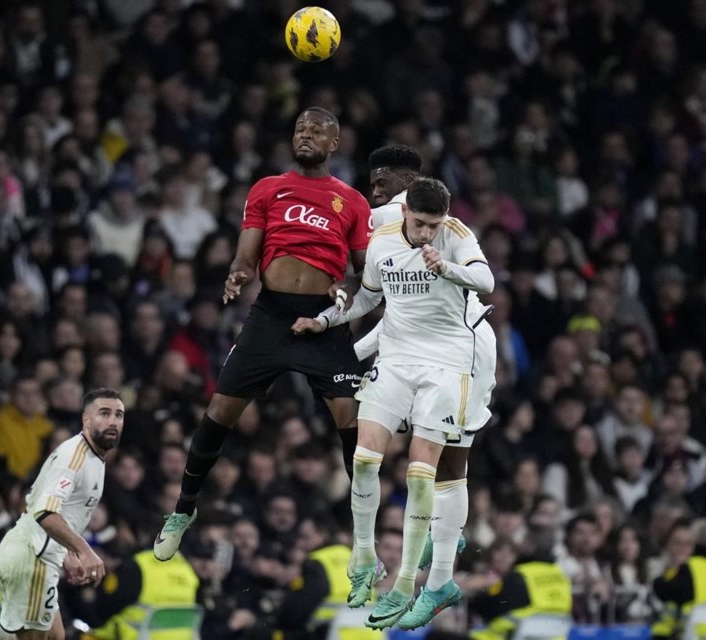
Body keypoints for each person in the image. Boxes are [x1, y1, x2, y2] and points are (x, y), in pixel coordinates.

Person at [153, 106, 373, 561]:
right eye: (300, 129)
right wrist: (237, 275)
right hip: (271, 315)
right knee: (219, 412)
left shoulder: (351, 201)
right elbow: (245, 257)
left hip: (323, 321)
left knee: (352, 426)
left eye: (318, 131)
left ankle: (366, 541)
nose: (306, 135)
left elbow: (363, 275)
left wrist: (345, 291)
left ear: (335, 143)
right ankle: (183, 511)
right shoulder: (268, 189)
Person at [292, 177, 494, 630]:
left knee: (427, 470)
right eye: (420, 224)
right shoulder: (381, 235)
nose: (426, 234)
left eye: (433, 225)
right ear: (404, 211)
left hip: (451, 361)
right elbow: (370, 296)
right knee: (364, 459)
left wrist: (447, 267)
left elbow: (486, 279)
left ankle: (407, 583)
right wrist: (325, 322)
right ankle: (365, 557)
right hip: (398, 359)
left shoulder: (455, 235)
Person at [358, 145, 495, 579]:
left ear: (409, 184)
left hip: (467, 345)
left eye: (384, 183)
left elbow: (484, 281)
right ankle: (439, 534)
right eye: (372, 183)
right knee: (413, 457)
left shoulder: (442, 227)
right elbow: (394, 311)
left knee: (449, 460)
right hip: (412, 348)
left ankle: (441, 559)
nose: (375, 191)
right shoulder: (386, 228)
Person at [0, 388, 123, 640]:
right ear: (86, 420)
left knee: (54, 636)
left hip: (37, 555)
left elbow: (47, 506)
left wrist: (67, 552)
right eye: (104, 413)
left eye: (119, 415)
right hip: (31, 559)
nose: (113, 421)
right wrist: (84, 550)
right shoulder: (75, 457)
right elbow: (45, 513)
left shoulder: (93, 458)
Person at [469, 550, 573, 640]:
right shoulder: (560, 574)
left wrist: (474, 600)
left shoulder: (521, 573)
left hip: (518, 631)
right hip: (555, 633)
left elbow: (492, 601)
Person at [651, 520, 706, 640]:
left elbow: (665, 591)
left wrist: (672, 573)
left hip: (697, 633)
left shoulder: (693, 568)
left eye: (688, 543)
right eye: (677, 543)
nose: (682, 549)